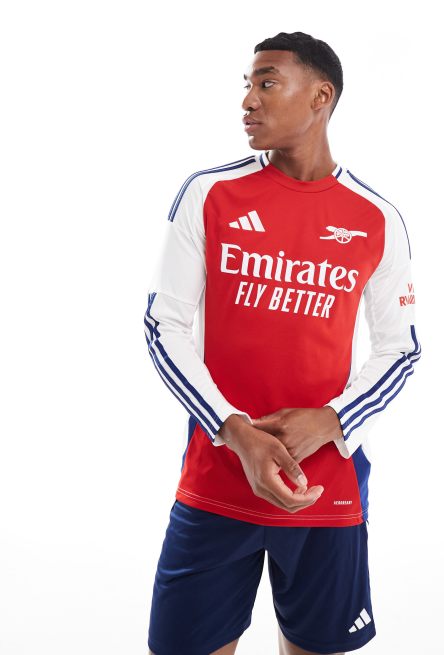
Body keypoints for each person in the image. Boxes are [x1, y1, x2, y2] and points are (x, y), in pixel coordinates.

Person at [144, 31, 421, 655]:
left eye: (266, 83)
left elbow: (400, 348)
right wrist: (235, 431)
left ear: (321, 96)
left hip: (326, 486)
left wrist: (334, 420)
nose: (248, 100)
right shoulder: (210, 194)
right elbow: (164, 326)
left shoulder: (376, 217)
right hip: (218, 474)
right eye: (246, 85)